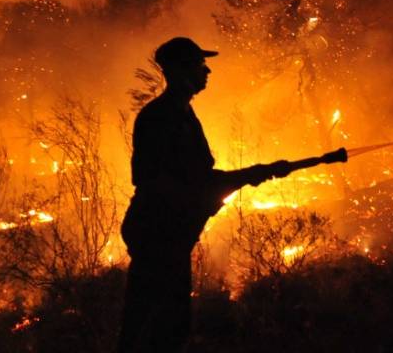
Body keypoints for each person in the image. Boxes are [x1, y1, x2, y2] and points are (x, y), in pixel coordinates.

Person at [116, 37, 347, 352]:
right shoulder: (160, 117)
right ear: (181, 70)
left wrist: (256, 173)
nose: (207, 70)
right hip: (158, 236)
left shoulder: (183, 114)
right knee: (150, 329)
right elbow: (151, 180)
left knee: (167, 328)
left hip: (170, 236)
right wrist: (207, 195)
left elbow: (198, 178)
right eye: (199, 64)